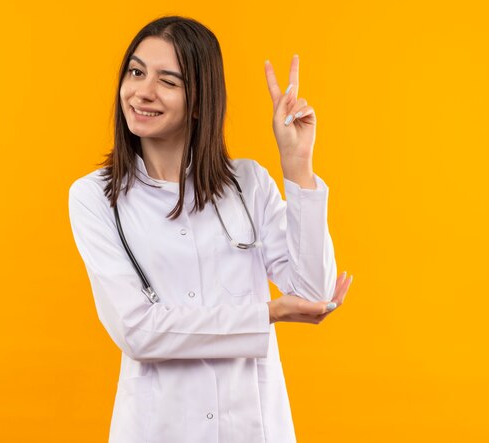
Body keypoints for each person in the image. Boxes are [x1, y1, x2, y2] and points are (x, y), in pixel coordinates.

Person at [68, 15, 353, 443]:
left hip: (254, 428)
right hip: (159, 428)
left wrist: (297, 163)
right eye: (136, 71)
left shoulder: (248, 184)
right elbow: (139, 332)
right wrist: (267, 313)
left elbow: (313, 292)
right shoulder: (96, 197)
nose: (143, 92)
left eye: (168, 81)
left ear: (200, 101)